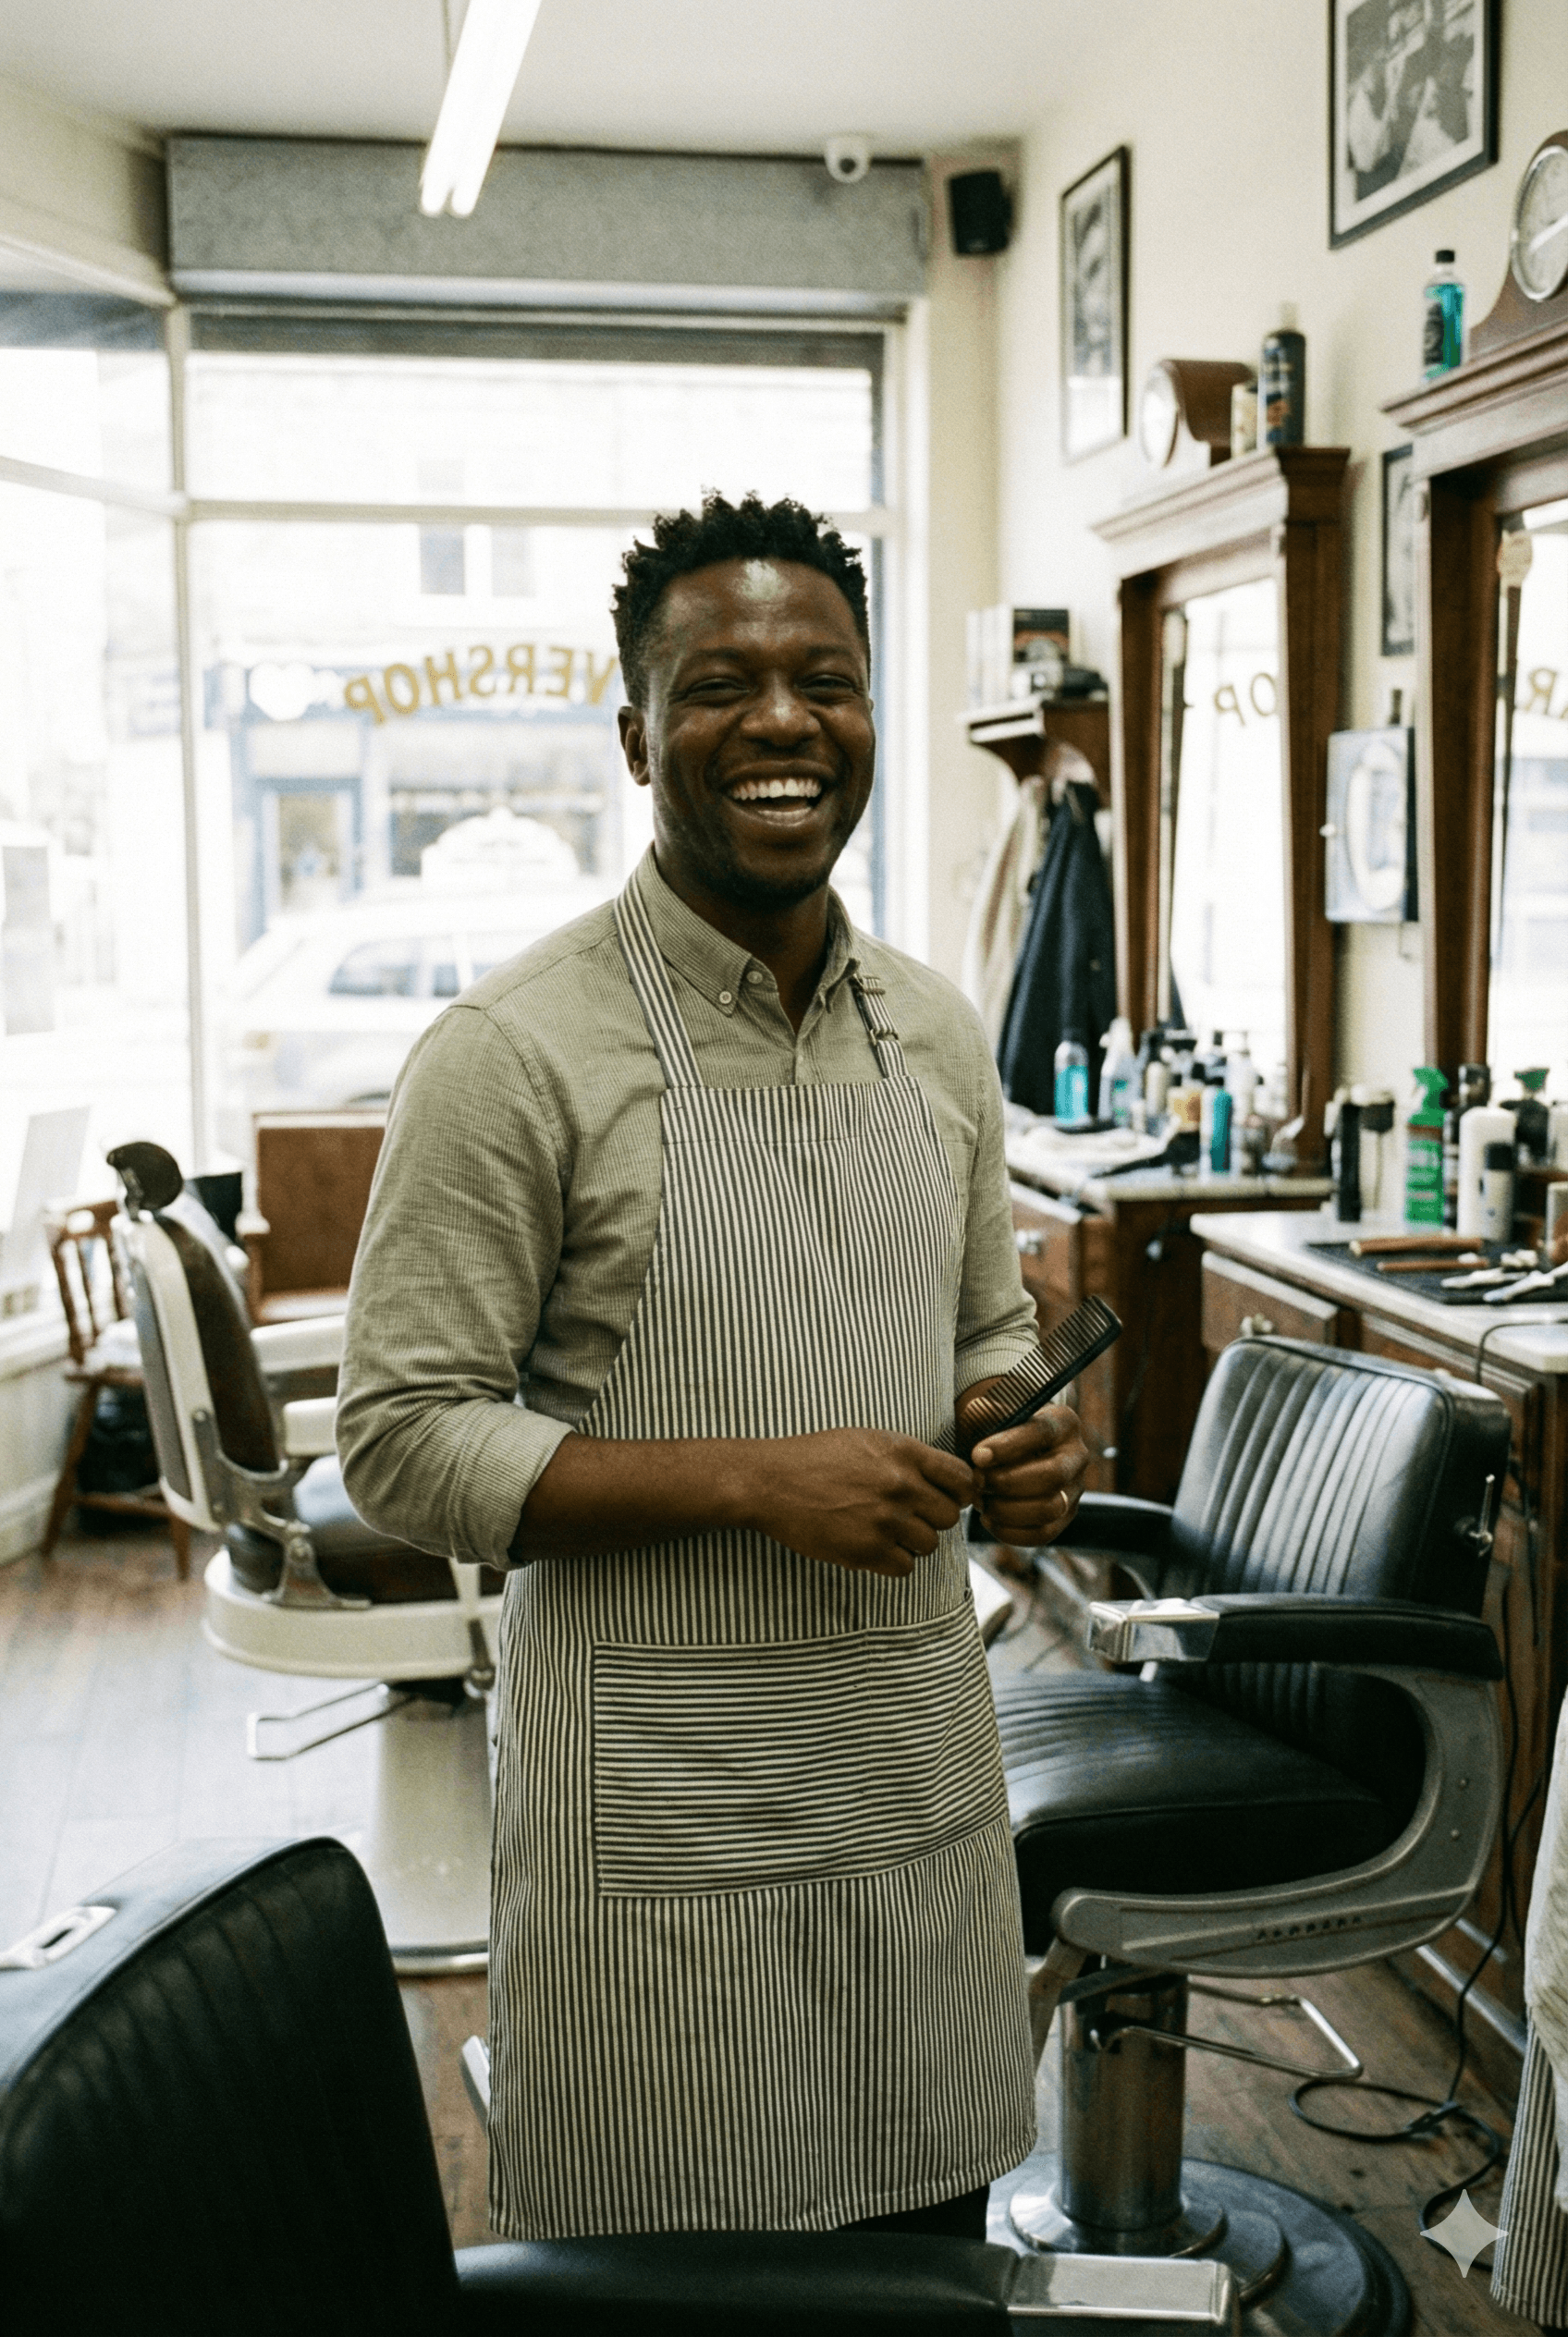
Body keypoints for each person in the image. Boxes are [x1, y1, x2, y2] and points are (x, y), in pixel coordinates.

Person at [337, 491, 1091, 2243]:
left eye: (823, 680)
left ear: (870, 719)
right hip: (657, 1817)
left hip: (910, 1759)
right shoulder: (514, 1053)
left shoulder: (936, 1031)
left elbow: (989, 1331)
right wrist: (756, 1476)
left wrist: (1021, 1431)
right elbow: (399, 1440)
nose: (779, 723)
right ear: (633, 731)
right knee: (683, 2276)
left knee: (924, 2255)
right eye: (718, 684)